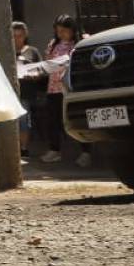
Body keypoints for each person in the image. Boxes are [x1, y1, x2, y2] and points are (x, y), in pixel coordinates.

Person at [40, 14, 82, 164]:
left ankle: (85, 152)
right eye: (58, 31)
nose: (61, 34)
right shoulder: (53, 44)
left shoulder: (77, 44)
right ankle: (54, 150)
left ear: (72, 30)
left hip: (69, 87)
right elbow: (47, 62)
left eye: (64, 31)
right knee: (53, 120)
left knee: (75, 118)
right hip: (53, 88)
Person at [12, 21, 44, 160]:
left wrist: (33, 76)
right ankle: (10, 148)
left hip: (25, 90)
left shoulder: (32, 51)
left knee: (24, 120)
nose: (16, 39)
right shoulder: (6, 51)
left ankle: (23, 148)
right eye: (13, 36)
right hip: (9, 91)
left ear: (25, 36)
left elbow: (41, 70)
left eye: (19, 36)